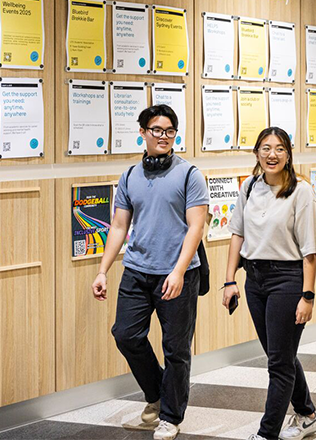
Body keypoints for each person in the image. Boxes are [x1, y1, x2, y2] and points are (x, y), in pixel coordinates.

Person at [91, 104, 208, 440]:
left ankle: (170, 415)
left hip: (177, 274)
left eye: (170, 131)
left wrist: (179, 271)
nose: (164, 136)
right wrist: (103, 270)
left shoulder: (189, 175)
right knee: (125, 334)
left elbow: (195, 227)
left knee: (176, 348)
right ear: (142, 132)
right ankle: (157, 393)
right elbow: (118, 226)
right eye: (157, 130)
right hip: (138, 271)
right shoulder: (129, 176)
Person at [223, 127, 316, 440]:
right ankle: (307, 413)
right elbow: (236, 233)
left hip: (287, 279)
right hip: (255, 280)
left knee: (279, 363)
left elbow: (310, 249)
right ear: (257, 153)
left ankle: (267, 434)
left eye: (280, 148)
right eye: (266, 148)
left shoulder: (301, 191)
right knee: (281, 355)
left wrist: (307, 296)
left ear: (289, 154)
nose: (272, 155)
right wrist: (229, 280)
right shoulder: (249, 187)